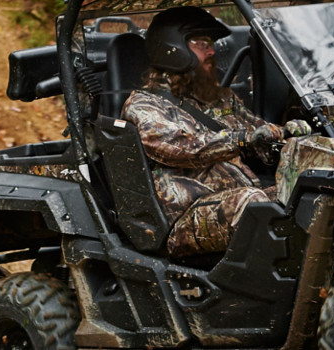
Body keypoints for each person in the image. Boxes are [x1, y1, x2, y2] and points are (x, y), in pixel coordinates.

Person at [120, 6, 310, 258]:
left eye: (211, 43)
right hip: (183, 218)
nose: (212, 51)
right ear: (173, 49)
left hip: (233, 198)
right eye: (202, 43)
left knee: (312, 193)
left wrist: (285, 135)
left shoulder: (219, 100)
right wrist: (242, 139)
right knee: (254, 204)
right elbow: (184, 148)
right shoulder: (144, 106)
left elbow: (258, 136)